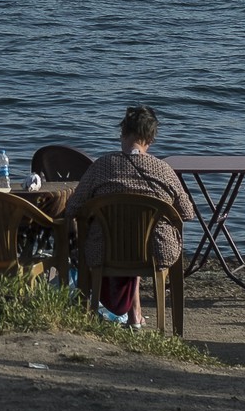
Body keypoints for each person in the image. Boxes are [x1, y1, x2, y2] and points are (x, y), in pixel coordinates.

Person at [65, 105, 197, 327]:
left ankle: (112, 314)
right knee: (140, 233)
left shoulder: (102, 166)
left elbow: (72, 208)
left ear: (122, 133)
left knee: (124, 233)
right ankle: (146, 319)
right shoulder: (164, 170)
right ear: (151, 139)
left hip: (105, 249)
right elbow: (187, 212)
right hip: (155, 251)